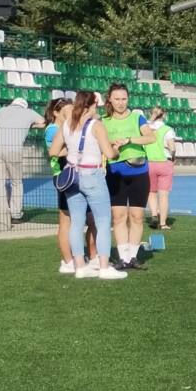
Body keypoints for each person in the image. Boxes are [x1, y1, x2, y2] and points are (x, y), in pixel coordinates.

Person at [54, 90, 124, 279]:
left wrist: (73, 153)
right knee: (102, 222)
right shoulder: (96, 125)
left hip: (73, 175)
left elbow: (53, 150)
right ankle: (103, 267)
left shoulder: (67, 124)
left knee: (76, 223)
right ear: (92, 105)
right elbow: (109, 154)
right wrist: (117, 150)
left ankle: (79, 267)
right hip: (92, 174)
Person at [100, 83, 159, 268]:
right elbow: (100, 144)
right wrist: (112, 145)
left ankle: (133, 257)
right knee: (118, 216)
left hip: (139, 172)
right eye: (117, 99)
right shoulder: (103, 121)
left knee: (137, 216)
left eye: (124, 99)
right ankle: (123, 257)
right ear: (109, 99)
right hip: (115, 173)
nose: (120, 103)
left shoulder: (137, 117)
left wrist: (130, 139)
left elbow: (151, 138)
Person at [43, 96, 97, 274]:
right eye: (66, 110)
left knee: (88, 218)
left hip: (78, 175)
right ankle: (67, 260)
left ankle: (90, 256)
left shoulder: (68, 127)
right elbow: (56, 151)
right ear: (56, 112)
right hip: (65, 176)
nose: (71, 113)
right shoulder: (53, 129)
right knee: (66, 220)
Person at [0, 96, 44, 227]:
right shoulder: (30, 112)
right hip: (14, 149)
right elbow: (44, 122)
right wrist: (30, 126)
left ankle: (2, 213)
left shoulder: (2, 110)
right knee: (16, 182)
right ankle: (16, 214)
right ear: (25, 106)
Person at [142, 105, 178, 231]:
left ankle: (153, 214)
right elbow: (172, 147)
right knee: (164, 194)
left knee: (151, 192)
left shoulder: (146, 128)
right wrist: (173, 156)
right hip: (164, 162)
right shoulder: (168, 129)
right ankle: (163, 223)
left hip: (149, 162)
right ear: (164, 115)